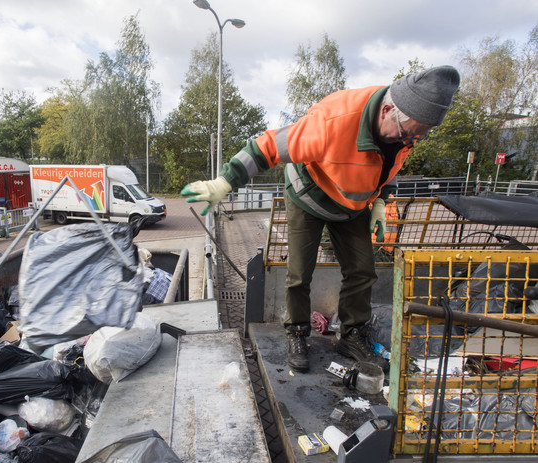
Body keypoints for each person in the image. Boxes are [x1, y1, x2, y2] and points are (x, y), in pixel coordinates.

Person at [181, 65, 460, 373]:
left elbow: (390, 165)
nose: (410, 141)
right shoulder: (332, 122)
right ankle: (297, 332)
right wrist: (224, 183)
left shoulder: (405, 133)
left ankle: (352, 335)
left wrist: (381, 201)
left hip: (351, 206)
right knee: (300, 273)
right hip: (308, 197)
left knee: (362, 271)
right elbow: (266, 147)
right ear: (388, 110)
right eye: (408, 133)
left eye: (418, 135)